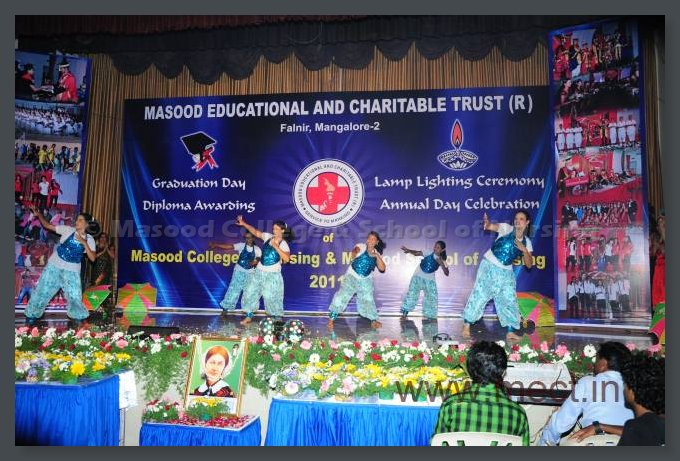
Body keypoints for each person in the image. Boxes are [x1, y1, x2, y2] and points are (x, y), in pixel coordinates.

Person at [432, 341, 530, 446]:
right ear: (503, 372)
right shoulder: (518, 414)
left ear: (469, 372)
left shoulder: (450, 406)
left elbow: (438, 443)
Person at [538, 342, 633, 445]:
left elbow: (561, 423)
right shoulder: (635, 387)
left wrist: (544, 443)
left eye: (596, 360)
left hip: (595, 443)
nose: (594, 364)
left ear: (603, 364)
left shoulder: (588, 382)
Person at [462, 211, 533, 342]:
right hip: (489, 266)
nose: (517, 221)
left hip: (506, 272)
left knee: (509, 300)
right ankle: (466, 325)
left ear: (527, 222)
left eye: (521, 219)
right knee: (480, 295)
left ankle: (510, 331)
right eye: (516, 218)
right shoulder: (507, 228)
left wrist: (524, 250)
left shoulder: (527, 242)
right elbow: (491, 226)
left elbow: (529, 264)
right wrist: (487, 224)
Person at [24, 204, 99, 325]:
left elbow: (93, 258)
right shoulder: (68, 230)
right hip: (55, 265)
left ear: (86, 224)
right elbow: (47, 226)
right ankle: (31, 315)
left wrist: (84, 243)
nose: (77, 222)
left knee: (75, 297)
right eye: (77, 219)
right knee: (42, 291)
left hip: (72, 270)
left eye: (80, 220)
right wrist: (39, 215)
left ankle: (78, 319)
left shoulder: (90, 239)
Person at [568, 355, 665, 446]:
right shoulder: (659, 423)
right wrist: (600, 426)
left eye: (625, 384)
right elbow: (642, 432)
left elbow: (636, 432)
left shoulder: (634, 427)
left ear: (632, 392)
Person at [236, 216, 293, 325]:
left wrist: (276, 246)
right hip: (259, 272)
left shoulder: (283, 244)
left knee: (271, 296)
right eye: (273, 228)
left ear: (282, 230)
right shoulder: (268, 237)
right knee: (250, 292)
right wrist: (243, 223)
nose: (274, 231)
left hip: (272, 275)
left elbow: (286, 259)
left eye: (277, 229)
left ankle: (276, 318)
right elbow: (255, 232)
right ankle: (249, 316)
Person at [327, 231, 387, 330]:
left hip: (365, 281)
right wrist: (354, 253)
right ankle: (331, 320)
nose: (370, 240)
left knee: (368, 300)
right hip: (352, 277)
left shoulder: (376, 253)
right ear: (367, 240)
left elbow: (382, 268)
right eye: (369, 238)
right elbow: (355, 251)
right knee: (341, 296)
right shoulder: (361, 246)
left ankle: (373, 321)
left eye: (373, 239)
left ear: (376, 242)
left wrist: (376, 256)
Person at [209, 232, 261, 314]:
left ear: (253, 238)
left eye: (249, 237)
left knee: (249, 292)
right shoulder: (241, 245)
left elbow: (259, 258)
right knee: (234, 290)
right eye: (246, 238)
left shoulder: (257, 249)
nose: (247, 239)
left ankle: (249, 311)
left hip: (250, 273)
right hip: (239, 271)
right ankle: (225, 309)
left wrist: (255, 261)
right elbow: (229, 246)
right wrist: (216, 245)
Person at [400, 241, 450, 320]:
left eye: (438, 247)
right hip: (418, 277)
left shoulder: (442, 260)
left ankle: (429, 317)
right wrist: (408, 250)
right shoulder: (428, 252)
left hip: (429, 281)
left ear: (442, 250)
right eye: (435, 246)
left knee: (431, 298)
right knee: (412, 295)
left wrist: (441, 263)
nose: (435, 248)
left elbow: (447, 273)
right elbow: (417, 253)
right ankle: (404, 314)